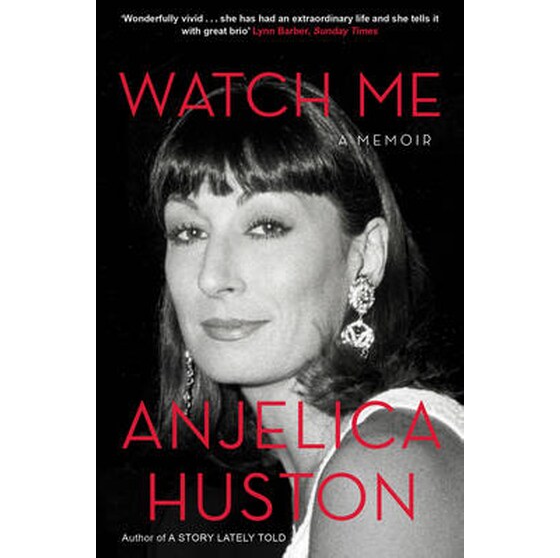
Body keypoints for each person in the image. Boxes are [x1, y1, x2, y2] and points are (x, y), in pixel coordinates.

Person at [149, 77, 463, 557]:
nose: (212, 277)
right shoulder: (354, 462)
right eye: (189, 232)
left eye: (266, 226)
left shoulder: (385, 467)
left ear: (366, 256)